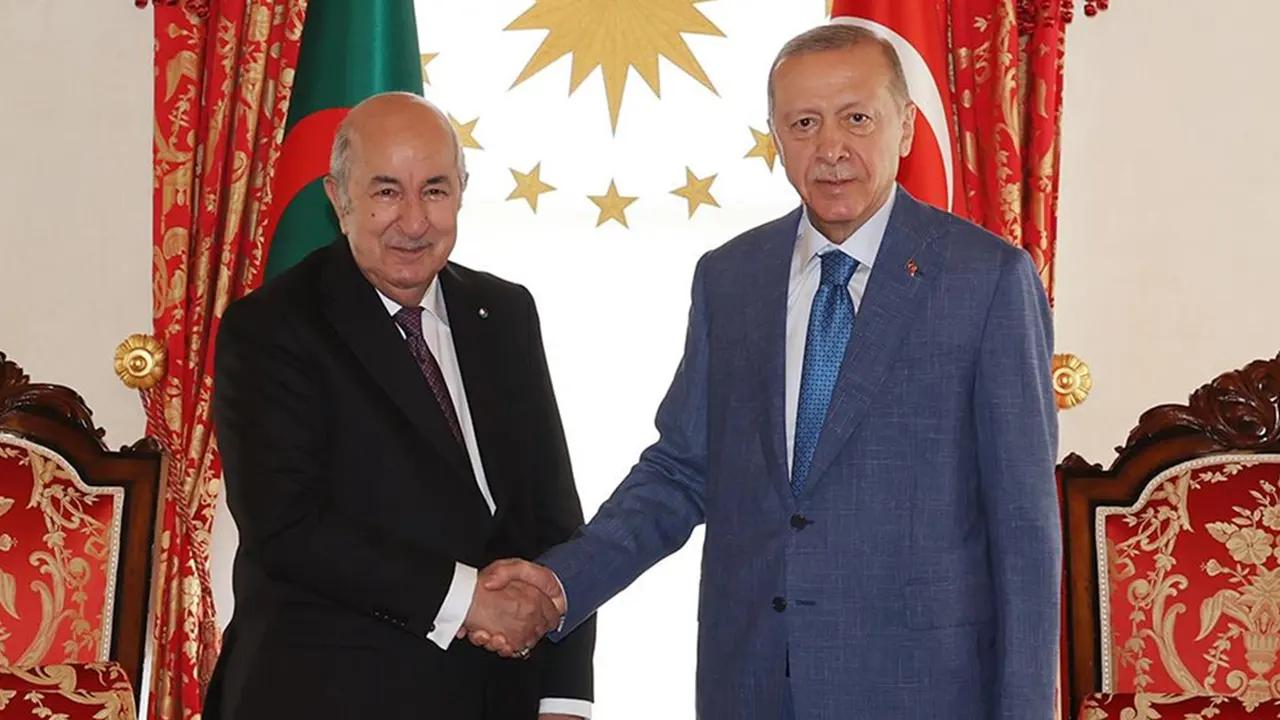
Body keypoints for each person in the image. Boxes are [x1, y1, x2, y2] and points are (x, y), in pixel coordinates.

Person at [478, 24, 1061, 719]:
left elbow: (1025, 530)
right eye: (804, 123)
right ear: (776, 137)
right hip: (751, 684)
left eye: (856, 118)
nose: (831, 148)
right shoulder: (730, 278)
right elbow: (680, 472)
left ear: (905, 126)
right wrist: (559, 584)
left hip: (921, 690)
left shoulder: (987, 280)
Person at [204, 92, 593, 720]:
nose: (413, 222)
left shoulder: (505, 313)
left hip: (502, 698)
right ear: (338, 198)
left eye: (435, 190)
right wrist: (469, 599)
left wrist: (565, 697)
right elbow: (288, 528)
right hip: (326, 695)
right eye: (386, 191)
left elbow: (553, 517)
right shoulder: (272, 327)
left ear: (461, 193)